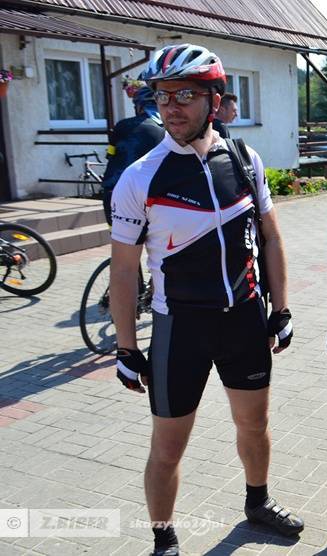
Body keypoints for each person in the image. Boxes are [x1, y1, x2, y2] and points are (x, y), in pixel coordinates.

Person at [109, 44, 301, 556]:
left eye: (185, 95)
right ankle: (163, 537)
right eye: (163, 95)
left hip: (244, 320)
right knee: (168, 447)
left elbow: (271, 236)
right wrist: (126, 347)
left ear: (214, 100)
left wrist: (281, 309)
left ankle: (257, 501)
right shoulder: (140, 177)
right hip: (180, 329)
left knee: (254, 425)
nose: (171, 107)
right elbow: (124, 270)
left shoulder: (243, 159)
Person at [101, 85, 164, 224]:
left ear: (139, 106)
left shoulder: (122, 126)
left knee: (118, 233)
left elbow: (110, 154)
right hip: (151, 193)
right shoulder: (168, 130)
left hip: (116, 189)